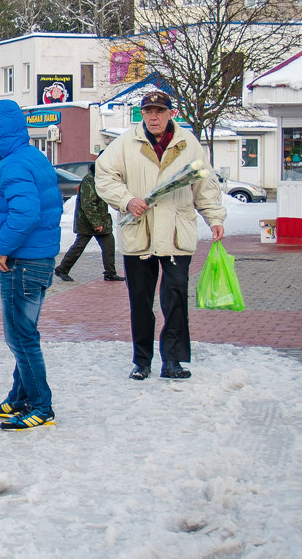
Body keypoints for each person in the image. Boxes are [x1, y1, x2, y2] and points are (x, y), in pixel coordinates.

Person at [95, 91, 225, 381]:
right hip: (140, 232)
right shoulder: (126, 143)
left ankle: (173, 360)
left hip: (177, 234)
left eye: (159, 111)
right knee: (140, 302)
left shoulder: (188, 143)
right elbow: (104, 176)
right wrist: (126, 199)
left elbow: (204, 183)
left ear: (171, 113)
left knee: (175, 299)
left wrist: (214, 217)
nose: (153, 117)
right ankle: (142, 361)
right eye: (147, 111)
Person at [0, 99, 63, 431]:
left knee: (20, 336)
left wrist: (0, 246)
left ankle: (40, 405)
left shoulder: (14, 165)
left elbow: (26, 214)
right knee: (24, 332)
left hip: (23, 263)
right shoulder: (34, 157)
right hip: (38, 260)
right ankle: (19, 396)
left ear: (1, 133)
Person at [54, 163, 123, 283]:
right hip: (88, 223)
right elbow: (88, 204)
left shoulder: (100, 180)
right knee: (78, 247)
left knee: (109, 246)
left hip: (101, 221)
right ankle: (62, 269)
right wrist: (96, 223)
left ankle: (110, 273)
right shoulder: (89, 181)